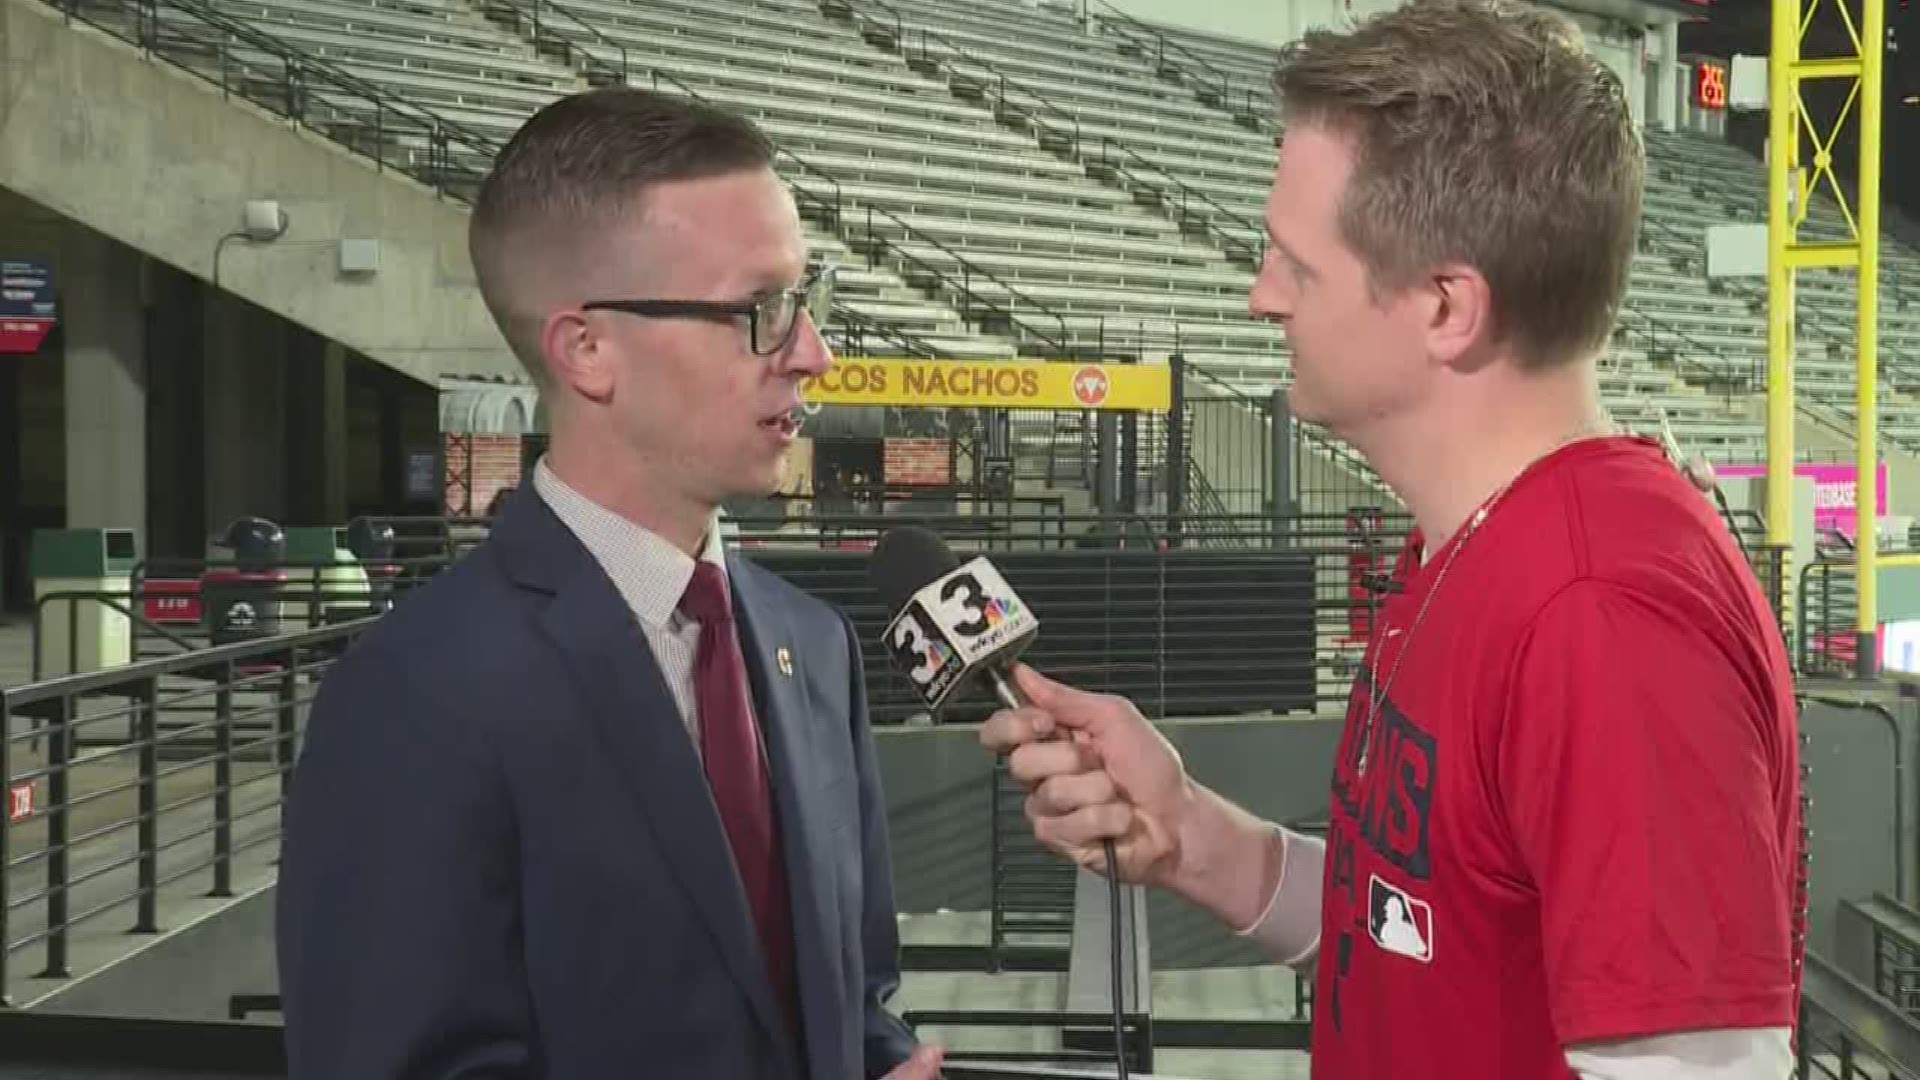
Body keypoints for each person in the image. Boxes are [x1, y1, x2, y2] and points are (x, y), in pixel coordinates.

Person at [981, 3, 1802, 1078]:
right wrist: (1186, 832)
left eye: (1295, 265)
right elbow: (1426, 933)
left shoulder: (1600, 608)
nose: (1258, 297)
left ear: (1446, 308)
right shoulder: (1480, 546)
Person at [277, 87, 941, 1080]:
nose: (814, 353)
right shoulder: (415, 698)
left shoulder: (818, 648)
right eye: (761, 311)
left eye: (812, 300)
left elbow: (855, 1003)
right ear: (588, 351)